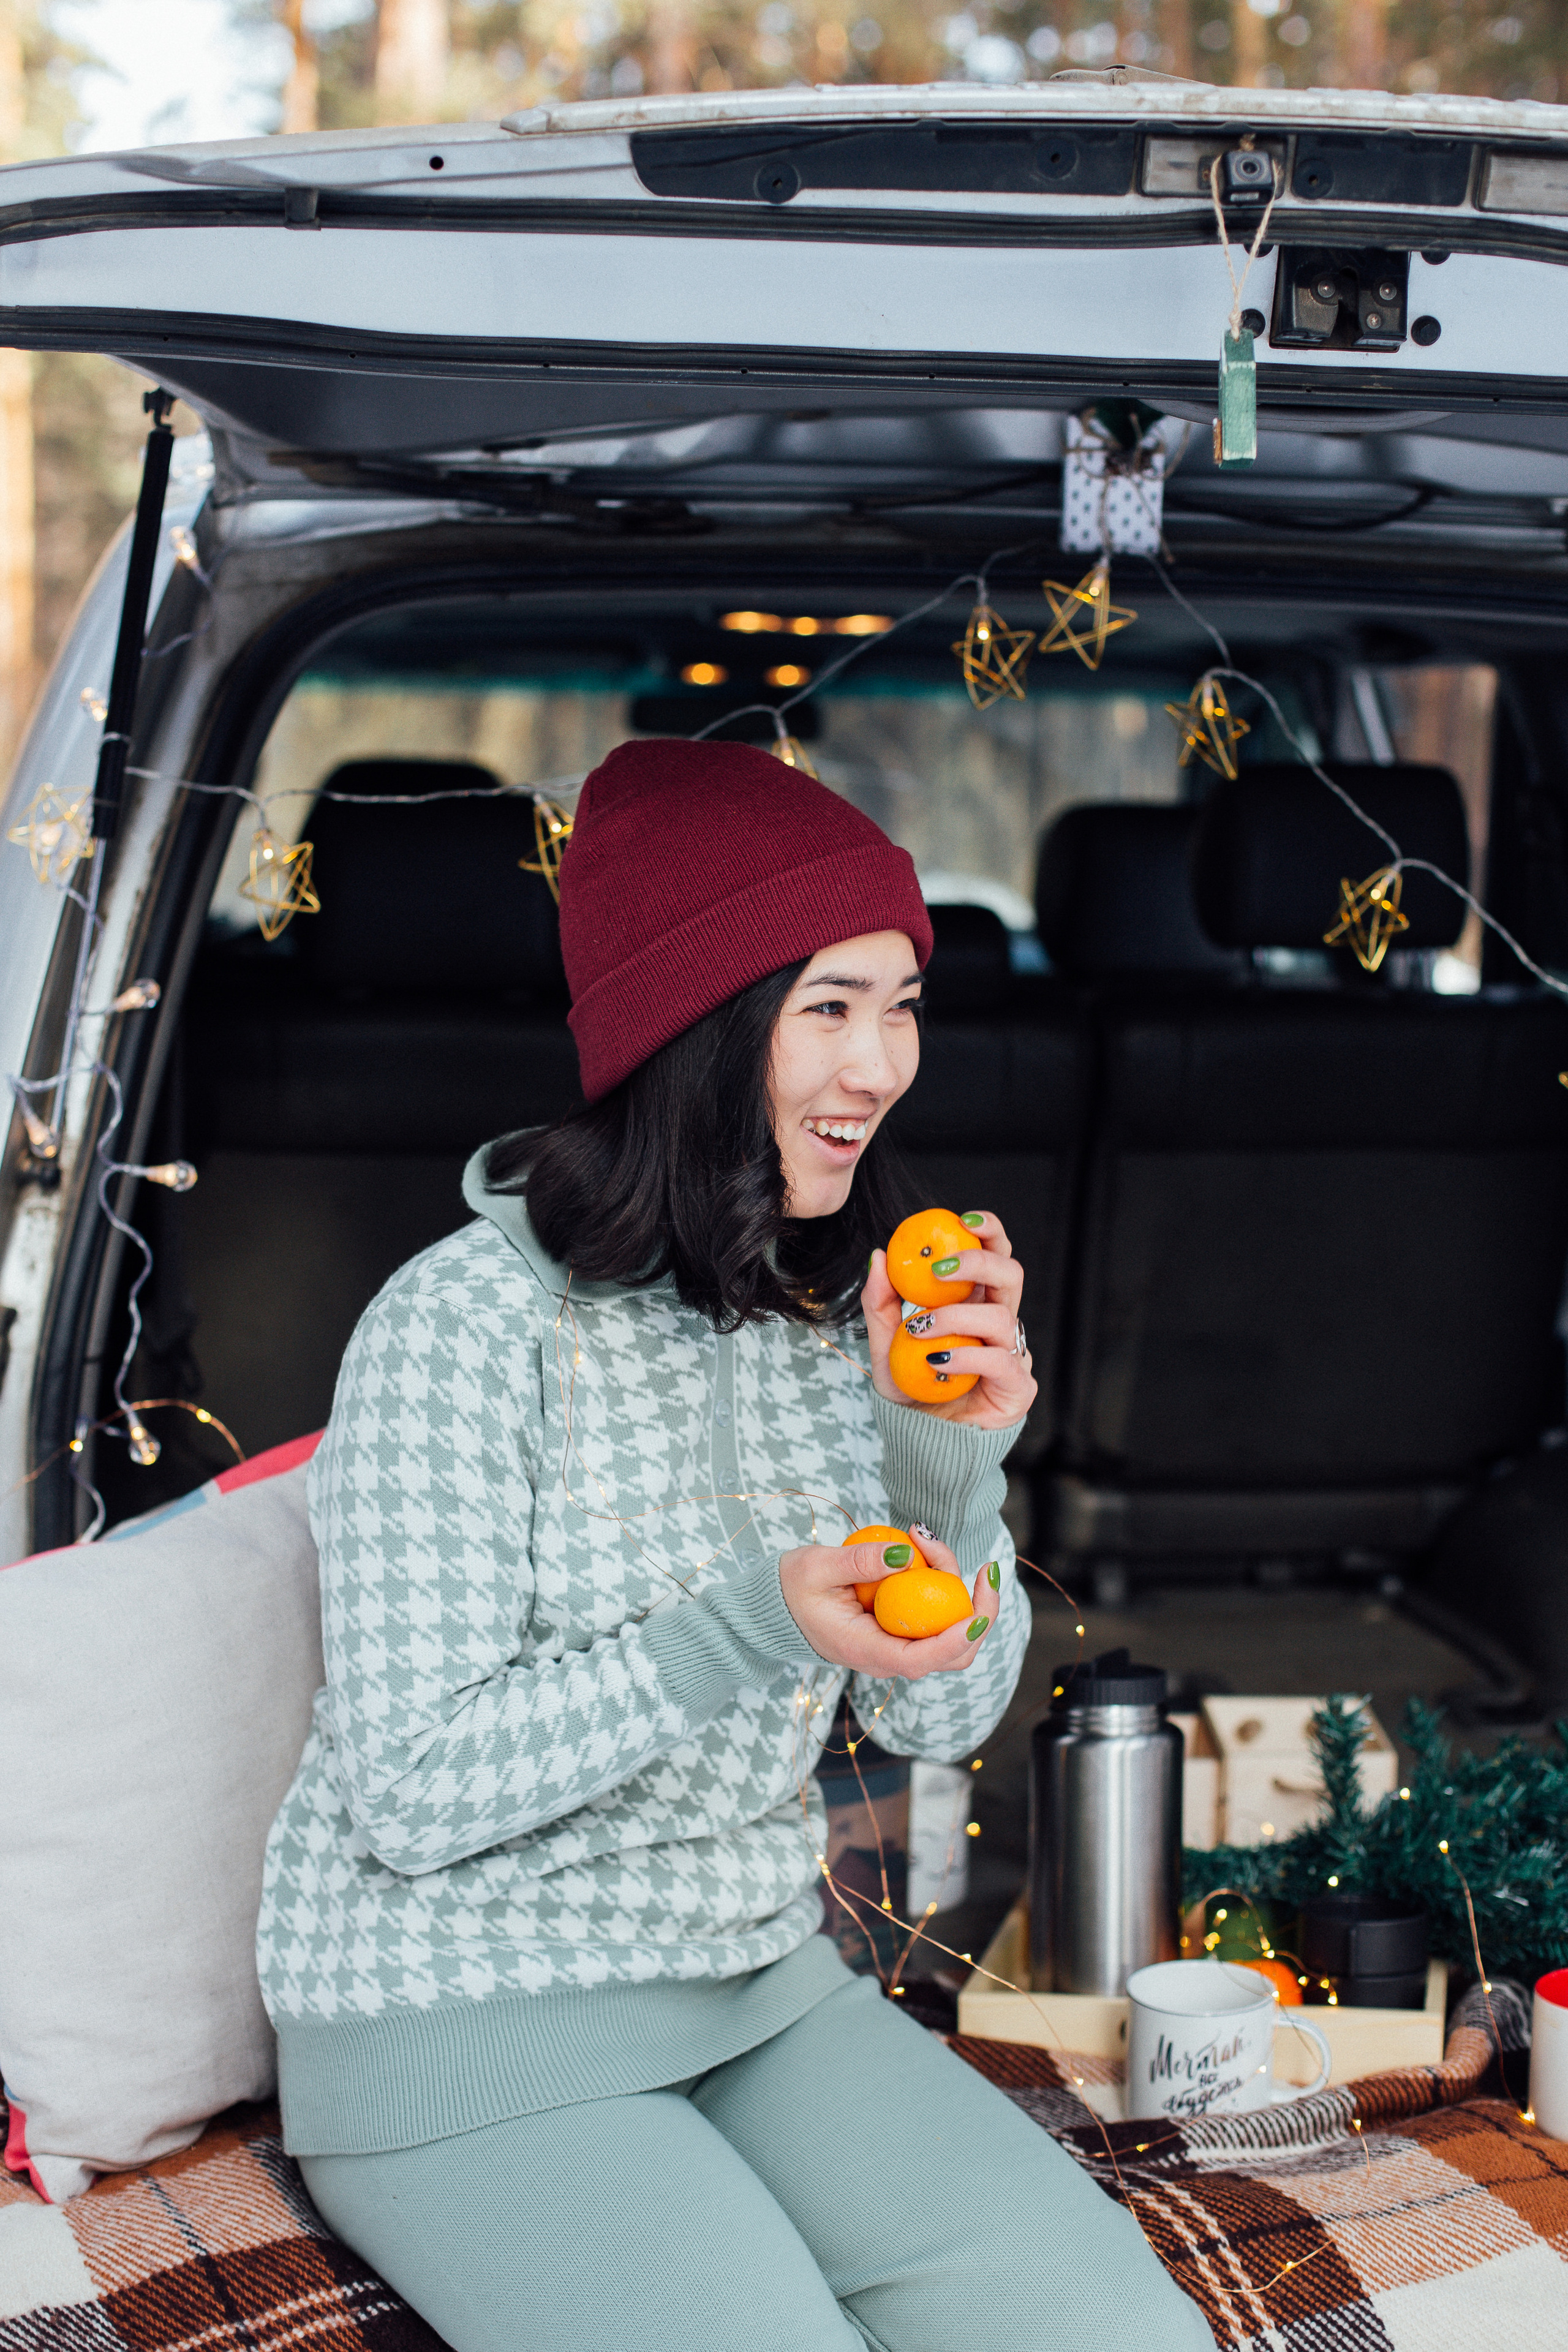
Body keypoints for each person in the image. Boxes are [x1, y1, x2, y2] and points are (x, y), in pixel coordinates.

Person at [257, 737, 1210, 2352]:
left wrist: (954, 1477)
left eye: (902, 1003)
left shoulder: (842, 1310)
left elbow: (932, 1723)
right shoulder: (459, 1329)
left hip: (756, 1983)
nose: (881, 1064)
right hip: (461, 2018)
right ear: (693, 1027)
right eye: (826, 1006)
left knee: (1125, 2335)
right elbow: (413, 1793)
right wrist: (751, 1620)